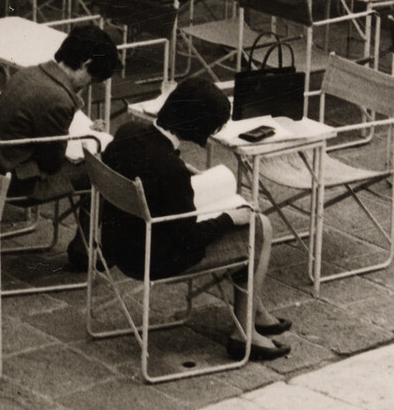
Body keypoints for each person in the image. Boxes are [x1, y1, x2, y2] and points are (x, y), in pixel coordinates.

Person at [88, 72, 291, 360]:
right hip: (155, 258)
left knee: (240, 214)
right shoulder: (170, 170)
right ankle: (245, 331)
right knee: (259, 226)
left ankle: (255, 311)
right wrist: (228, 219)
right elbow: (187, 239)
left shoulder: (129, 132)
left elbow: (149, 174)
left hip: (119, 243)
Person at [0, 26, 120, 186]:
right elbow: (52, 164)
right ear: (85, 64)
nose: (88, 85)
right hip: (19, 179)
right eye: (92, 79)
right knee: (104, 169)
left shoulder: (29, 72)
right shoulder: (59, 99)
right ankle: (92, 211)